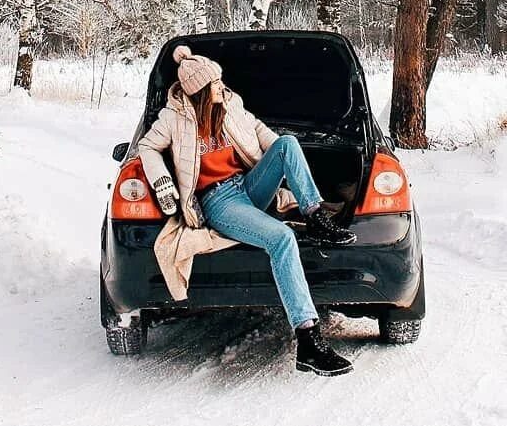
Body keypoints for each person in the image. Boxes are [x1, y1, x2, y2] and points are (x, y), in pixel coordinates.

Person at [138, 44, 357, 376]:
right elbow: (147, 146)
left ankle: (315, 216)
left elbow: (261, 133)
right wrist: (163, 183)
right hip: (218, 202)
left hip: (248, 185)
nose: (221, 86)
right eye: (214, 83)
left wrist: (291, 170)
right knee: (282, 238)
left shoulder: (230, 103)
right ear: (198, 90)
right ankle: (308, 341)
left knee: (288, 144)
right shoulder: (173, 118)